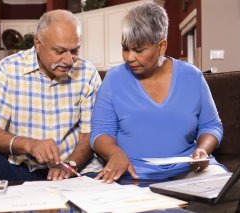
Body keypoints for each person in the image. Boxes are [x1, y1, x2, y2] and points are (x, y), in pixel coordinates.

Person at [0, 9, 103, 190]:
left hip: (72, 169)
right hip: (20, 169)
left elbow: (88, 135)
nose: (69, 60)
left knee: (102, 183)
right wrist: (28, 145)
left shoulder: (87, 74)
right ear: (38, 44)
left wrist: (71, 165)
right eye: (60, 51)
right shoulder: (7, 70)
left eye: (75, 50)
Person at [90, 2, 227, 184]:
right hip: (132, 173)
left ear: (161, 46)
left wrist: (203, 150)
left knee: (225, 188)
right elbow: (100, 134)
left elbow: (211, 126)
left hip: (186, 171)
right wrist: (116, 154)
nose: (129, 57)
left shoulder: (192, 76)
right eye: (125, 48)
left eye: (138, 50)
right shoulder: (114, 79)